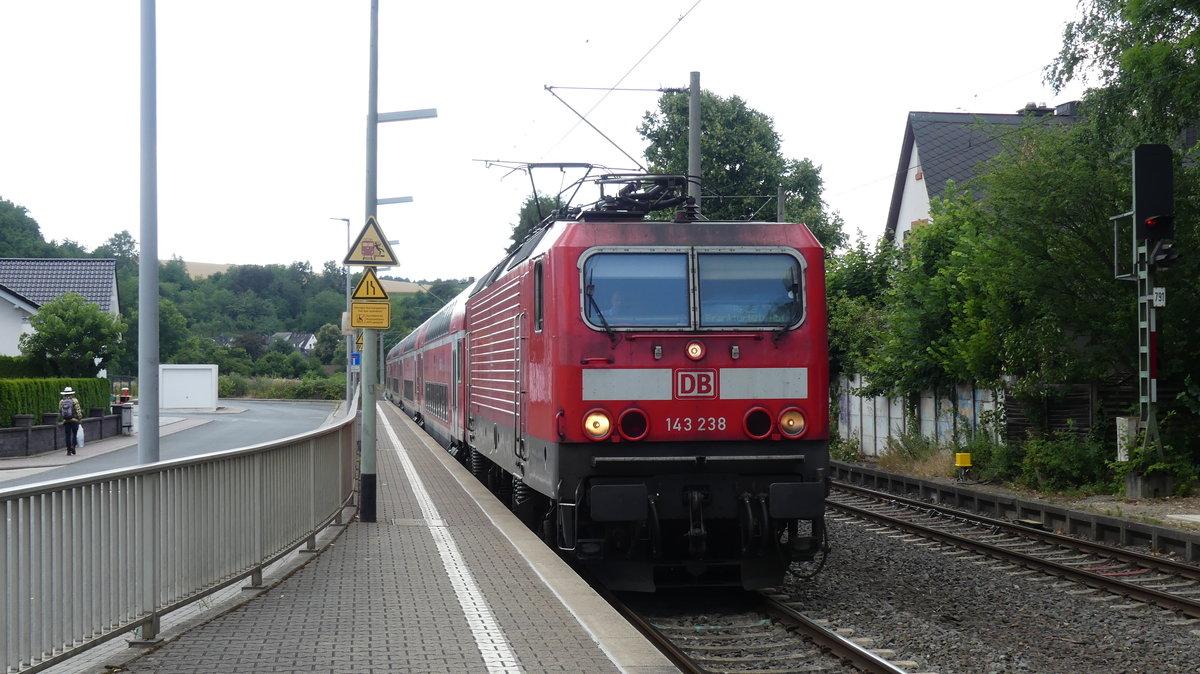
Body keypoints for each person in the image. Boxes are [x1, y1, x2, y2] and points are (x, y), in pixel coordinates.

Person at [60, 386, 82, 456]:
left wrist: (63, 418)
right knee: (74, 434)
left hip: (66, 421)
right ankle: (73, 447)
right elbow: (78, 410)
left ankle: (68, 450)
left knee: (67, 435)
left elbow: (61, 411)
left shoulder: (62, 401)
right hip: (74, 420)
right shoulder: (74, 400)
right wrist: (79, 418)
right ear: (71, 394)